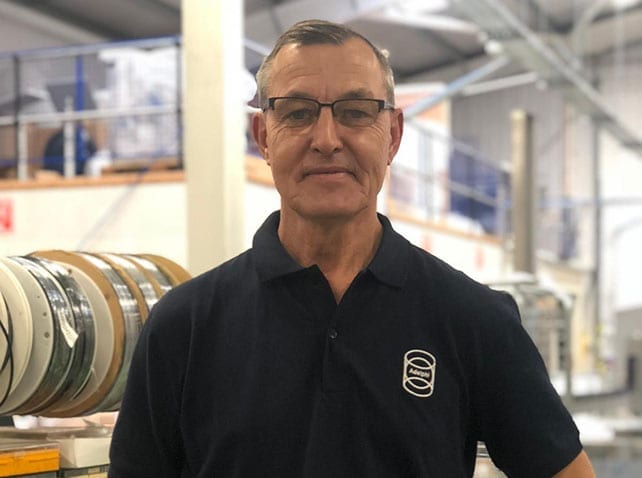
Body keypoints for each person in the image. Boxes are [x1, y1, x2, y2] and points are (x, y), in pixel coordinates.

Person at [109, 19, 595, 477]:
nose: (326, 139)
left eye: (356, 112)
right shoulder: (184, 327)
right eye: (297, 113)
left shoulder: (473, 319)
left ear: (393, 136)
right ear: (263, 137)